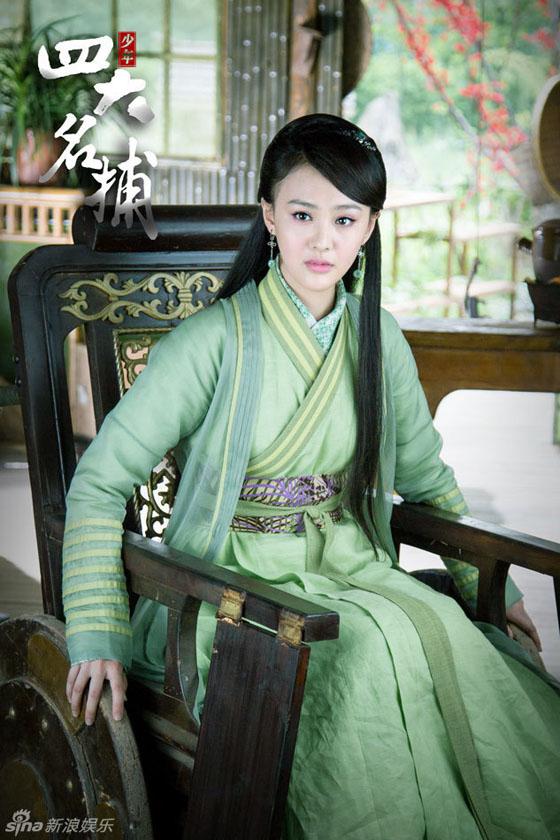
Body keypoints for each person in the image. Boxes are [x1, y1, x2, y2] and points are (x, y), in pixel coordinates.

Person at [63, 113, 560, 839]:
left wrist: (501, 594)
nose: (323, 240)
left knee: (452, 642)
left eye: (344, 219)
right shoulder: (212, 341)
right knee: (359, 660)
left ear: (369, 229)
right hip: (229, 586)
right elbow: (99, 482)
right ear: (269, 216)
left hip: (349, 564)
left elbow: (426, 478)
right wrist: (96, 631)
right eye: (302, 215)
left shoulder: (378, 338)